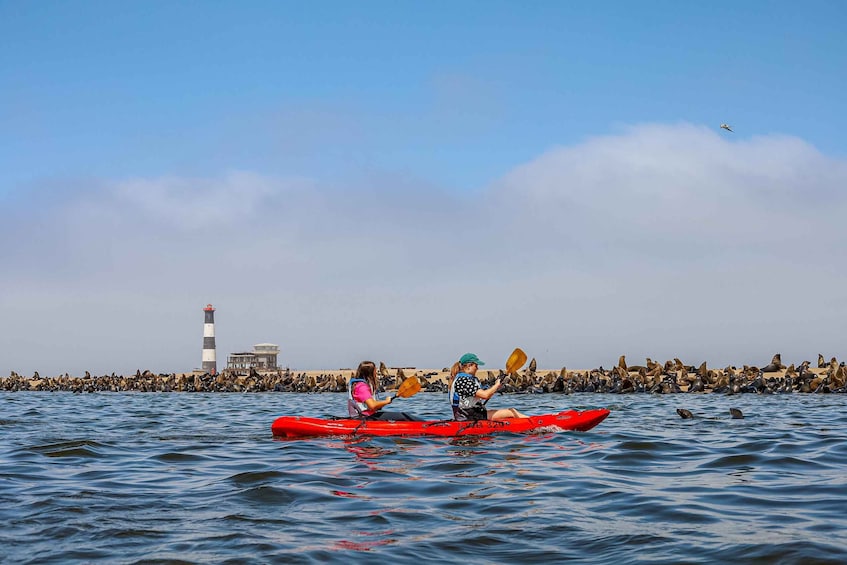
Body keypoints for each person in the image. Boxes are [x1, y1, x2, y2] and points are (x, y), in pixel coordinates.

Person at [450, 353, 529, 421]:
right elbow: (485, 395)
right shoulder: (463, 380)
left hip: (470, 414)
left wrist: (495, 387)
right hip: (470, 416)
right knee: (511, 412)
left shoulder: (463, 379)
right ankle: (533, 422)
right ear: (469, 366)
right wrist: (496, 385)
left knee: (506, 414)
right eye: (476, 365)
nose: (477, 368)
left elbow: (486, 394)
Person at [348, 361, 419, 421]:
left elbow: (372, 406)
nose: (376, 373)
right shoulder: (362, 387)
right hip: (364, 418)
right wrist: (386, 401)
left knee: (404, 415)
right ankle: (424, 426)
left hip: (366, 416)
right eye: (375, 371)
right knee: (403, 416)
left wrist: (383, 403)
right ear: (369, 373)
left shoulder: (359, 385)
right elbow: (372, 405)